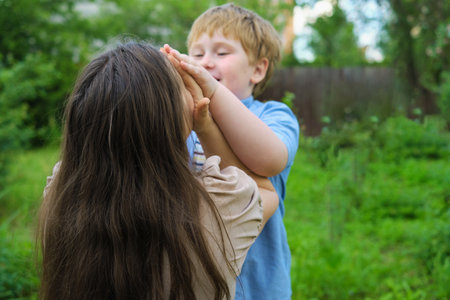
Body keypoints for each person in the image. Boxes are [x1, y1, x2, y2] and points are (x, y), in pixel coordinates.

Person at [37, 41, 279, 300]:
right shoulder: (218, 210)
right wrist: (205, 124)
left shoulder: (60, 198)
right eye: (183, 86)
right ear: (172, 119)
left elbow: (85, 158)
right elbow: (264, 189)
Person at [179, 3, 301, 299]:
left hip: (256, 286)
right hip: (196, 280)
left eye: (221, 53)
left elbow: (271, 160)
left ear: (258, 69)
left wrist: (213, 95)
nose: (206, 63)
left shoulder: (273, 115)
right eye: (196, 54)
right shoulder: (181, 120)